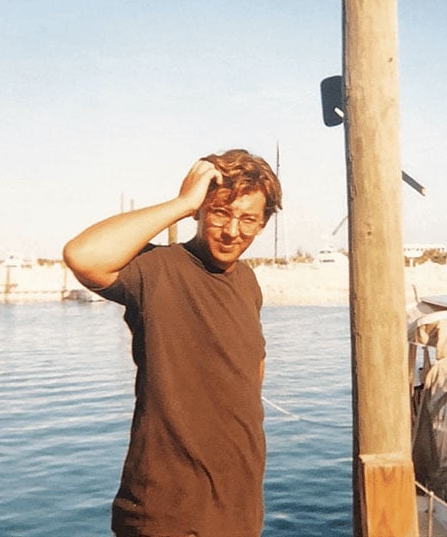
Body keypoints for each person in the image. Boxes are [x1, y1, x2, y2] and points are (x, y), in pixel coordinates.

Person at [63, 149, 283, 537]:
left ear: (263, 224)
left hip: (239, 509)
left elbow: (252, 372)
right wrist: (182, 203)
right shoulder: (155, 269)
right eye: (220, 213)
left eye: (248, 219)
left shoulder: (248, 282)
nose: (233, 231)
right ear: (201, 213)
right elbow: (83, 255)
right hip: (165, 513)